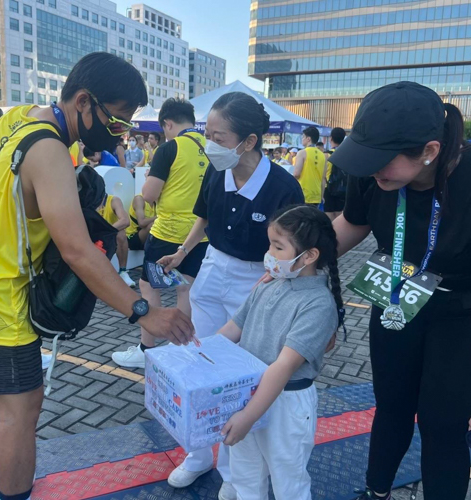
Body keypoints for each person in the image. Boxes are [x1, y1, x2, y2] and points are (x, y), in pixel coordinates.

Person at [0, 52, 194, 500]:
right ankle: (8, 494)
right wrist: (143, 312)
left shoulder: (19, 118)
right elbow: (76, 250)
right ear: (83, 102)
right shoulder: (50, 149)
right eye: (117, 122)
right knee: (20, 410)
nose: (122, 133)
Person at [157, 92, 304, 499]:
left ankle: (235, 473)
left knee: (242, 378)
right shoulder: (215, 172)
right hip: (213, 268)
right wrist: (184, 251)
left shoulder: (282, 186)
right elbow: (203, 216)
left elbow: (293, 247)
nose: (210, 145)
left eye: (219, 137)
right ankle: (200, 453)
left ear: (250, 141)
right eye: (208, 134)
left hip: (257, 279)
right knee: (201, 359)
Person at [329, 81, 471, 500]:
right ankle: (376, 491)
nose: (372, 171)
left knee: (442, 421)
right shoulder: (372, 171)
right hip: (395, 295)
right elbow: (353, 224)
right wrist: (302, 260)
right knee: (390, 405)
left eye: (381, 162)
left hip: (460, 312)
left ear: (429, 151)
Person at [219, 205, 341, 499]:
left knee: (289, 481)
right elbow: (233, 329)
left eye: (278, 246)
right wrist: (196, 354)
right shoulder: (269, 285)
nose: (270, 254)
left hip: (286, 402)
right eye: (270, 244)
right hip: (249, 392)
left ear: (309, 255)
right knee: (245, 474)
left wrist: (248, 416)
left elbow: (284, 366)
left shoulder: (317, 304)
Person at [112, 97, 208, 369]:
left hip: (168, 232)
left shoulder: (170, 148)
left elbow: (149, 193)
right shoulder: (211, 147)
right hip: (202, 233)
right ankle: (183, 346)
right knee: (186, 288)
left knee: (147, 284)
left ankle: (146, 349)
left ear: (168, 123)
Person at [97, 192, 136, 287]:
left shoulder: (113, 200)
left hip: (108, 236)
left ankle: (123, 271)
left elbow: (125, 221)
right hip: (91, 236)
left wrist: (105, 231)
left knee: (121, 233)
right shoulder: (84, 200)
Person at [294, 126, 326, 205]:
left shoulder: (302, 153)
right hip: (316, 195)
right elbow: (323, 178)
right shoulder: (323, 155)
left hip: (303, 194)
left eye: (303, 137)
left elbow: (296, 174)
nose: (302, 139)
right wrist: (321, 196)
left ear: (308, 139)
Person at [322, 127, 347, 221]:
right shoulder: (346, 154)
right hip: (343, 188)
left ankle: (332, 234)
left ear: (331, 138)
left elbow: (323, 175)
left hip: (329, 189)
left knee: (329, 217)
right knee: (340, 216)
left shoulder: (326, 155)